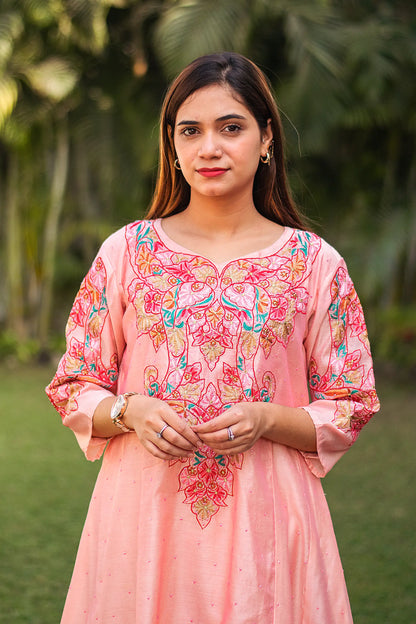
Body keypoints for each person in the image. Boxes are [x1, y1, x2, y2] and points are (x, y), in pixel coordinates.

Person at [46, 51, 380, 624]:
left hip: (267, 517)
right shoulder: (127, 254)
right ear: (171, 146)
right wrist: (131, 410)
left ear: (266, 137)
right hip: (143, 518)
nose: (210, 148)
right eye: (191, 130)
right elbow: (74, 384)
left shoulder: (314, 263)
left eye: (231, 127)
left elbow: (352, 402)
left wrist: (268, 419)